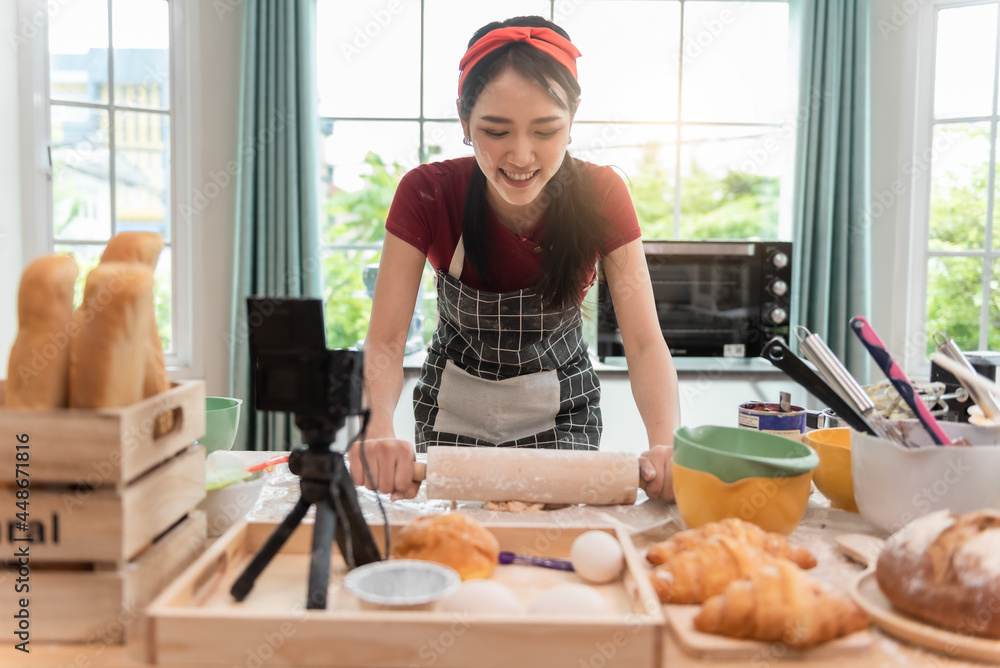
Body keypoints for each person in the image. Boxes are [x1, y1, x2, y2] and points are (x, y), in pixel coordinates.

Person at [348, 15, 680, 502]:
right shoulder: (427, 193)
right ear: (464, 122)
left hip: (562, 415)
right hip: (452, 413)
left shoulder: (602, 194)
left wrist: (667, 444)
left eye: (545, 130)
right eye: (496, 131)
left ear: (572, 120)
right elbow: (386, 340)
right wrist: (376, 428)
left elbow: (645, 343)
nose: (521, 156)